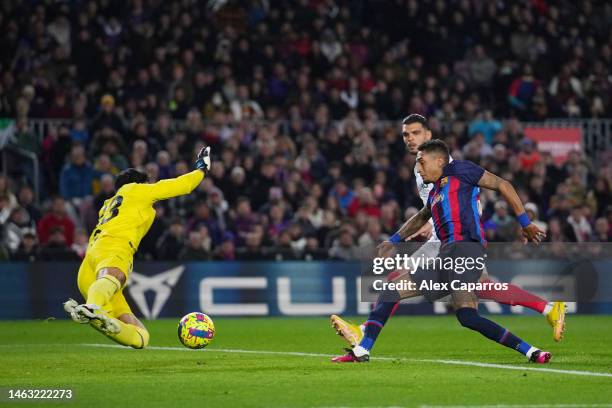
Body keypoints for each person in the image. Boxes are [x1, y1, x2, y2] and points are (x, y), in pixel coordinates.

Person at [331, 115, 564, 361]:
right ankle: (534, 349)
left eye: (423, 163)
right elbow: (422, 216)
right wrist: (394, 240)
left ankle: (364, 333)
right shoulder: (435, 192)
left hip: (465, 251)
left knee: (466, 295)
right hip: (447, 255)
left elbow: (502, 184)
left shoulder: (461, 170)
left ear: (439, 160)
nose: (419, 169)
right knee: (422, 300)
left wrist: (525, 222)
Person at [63, 147, 211, 349]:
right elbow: (181, 186)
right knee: (107, 286)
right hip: (114, 251)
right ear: (137, 183)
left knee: (140, 337)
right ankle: (92, 307)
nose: (150, 187)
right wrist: (201, 170)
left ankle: (102, 318)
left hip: (90, 266)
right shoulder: (135, 190)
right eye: (147, 183)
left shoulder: (108, 204)